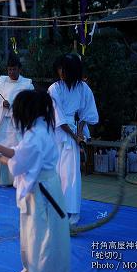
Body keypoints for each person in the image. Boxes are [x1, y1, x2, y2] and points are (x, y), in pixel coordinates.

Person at [0, 90, 70, 272]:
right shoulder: (41, 128)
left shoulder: (36, 135)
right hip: (43, 188)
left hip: (44, 192)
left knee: (42, 240)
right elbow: (20, 152)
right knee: (29, 234)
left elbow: (18, 164)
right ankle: (29, 270)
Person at [48, 54, 99, 225]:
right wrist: (75, 135)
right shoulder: (54, 88)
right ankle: (55, 209)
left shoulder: (83, 88)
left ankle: (73, 212)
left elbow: (86, 113)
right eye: (60, 68)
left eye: (65, 69)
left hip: (73, 136)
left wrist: (79, 133)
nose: (62, 72)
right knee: (53, 173)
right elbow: (58, 118)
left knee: (70, 175)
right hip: (56, 133)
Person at [0, 55, 34, 185]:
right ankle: (4, 180)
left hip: (18, 124)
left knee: (17, 150)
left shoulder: (27, 85)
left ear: (19, 69)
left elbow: (31, 104)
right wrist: (1, 104)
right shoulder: (0, 83)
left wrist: (13, 105)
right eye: (9, 69)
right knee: (3, 148)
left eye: (14, 69)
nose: (11, 72)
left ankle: (18, 181)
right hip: (3, 123)